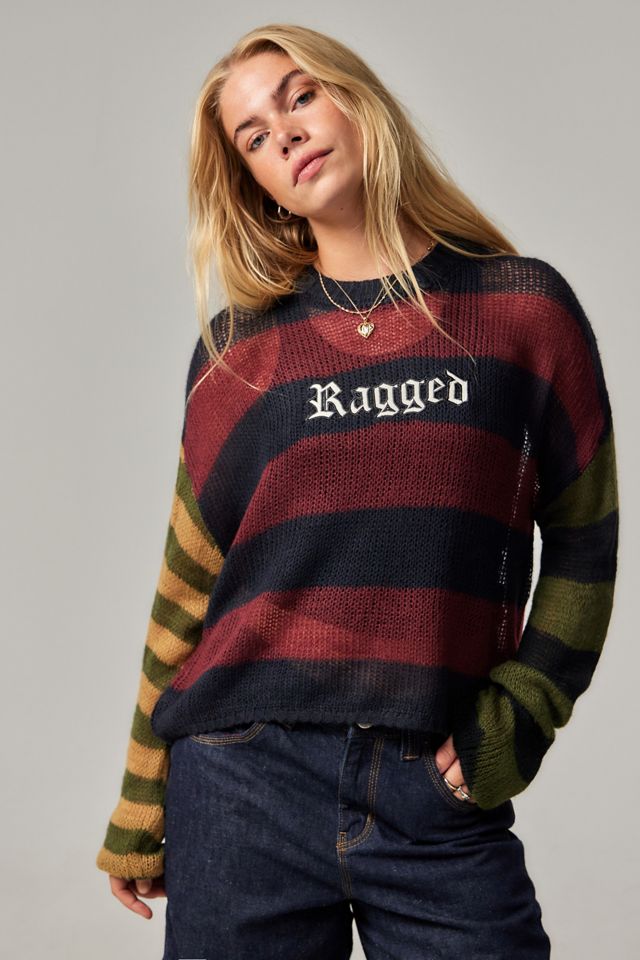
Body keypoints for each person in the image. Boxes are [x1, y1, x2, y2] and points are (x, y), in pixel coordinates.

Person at [95, 22, 619, 960]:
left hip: (432, 789)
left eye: (300, 96)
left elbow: (587, 537)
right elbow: (186, 588)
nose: (287, 134)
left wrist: (521, 715)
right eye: (255, 136)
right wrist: (140, 801)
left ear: (356, 99)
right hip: (239, 786)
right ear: (256, 183)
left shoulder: (521, 310)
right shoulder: (237, 356)